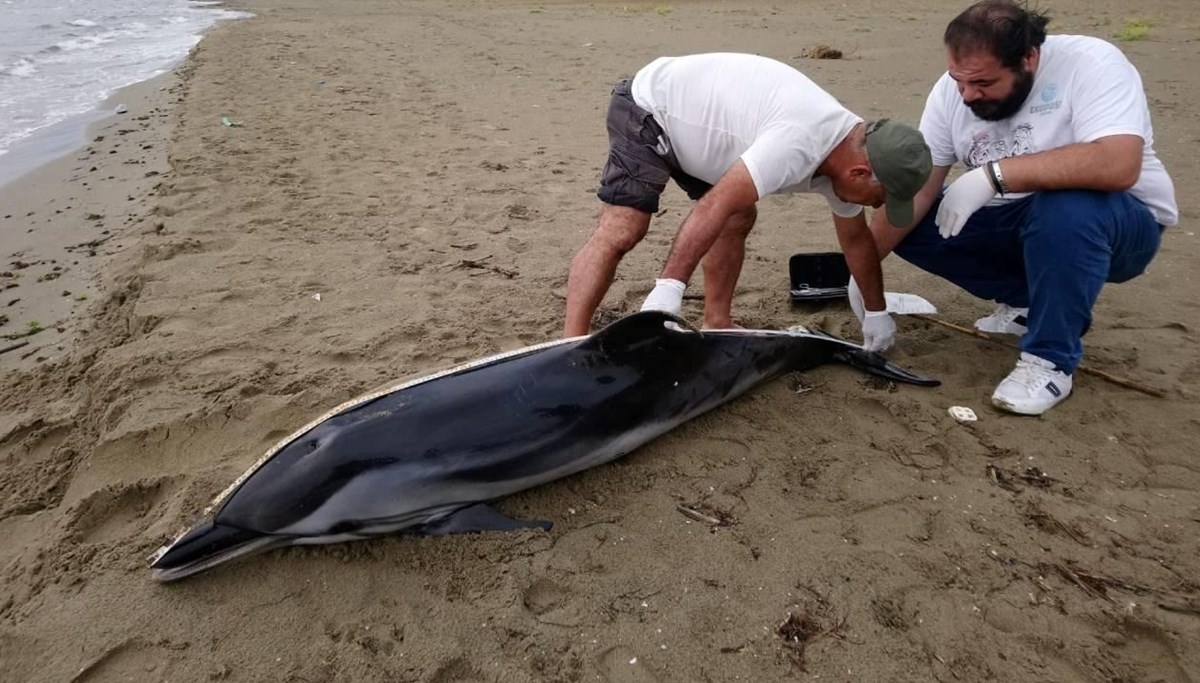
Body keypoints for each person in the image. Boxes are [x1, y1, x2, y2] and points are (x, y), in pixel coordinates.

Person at [853, 0, 1177, 415]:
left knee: (1066, 207)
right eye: (959, 81)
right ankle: (1026, 304)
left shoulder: (1091, 63)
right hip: (1016, 222)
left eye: (983, 83)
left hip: (1119, 225)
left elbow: (1118, 164)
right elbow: (917, 191)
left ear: (1029, 58)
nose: (968, 95)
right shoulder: (954, 92)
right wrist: (862, 271)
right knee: (910, 218)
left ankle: (1049, 361)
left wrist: (994, 175)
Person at [563, 52, 932, 354]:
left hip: (704, 139)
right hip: (651, 108)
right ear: (860, 173)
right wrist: (669, 289)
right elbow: (712, 206)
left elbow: (856, 241)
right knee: (625, 227)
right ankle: (569, 345)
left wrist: (875, 311)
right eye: (879, 199)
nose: (874, 207)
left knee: (738, 215)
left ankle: (717, 321)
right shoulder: (798, 141)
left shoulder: (850, 153)